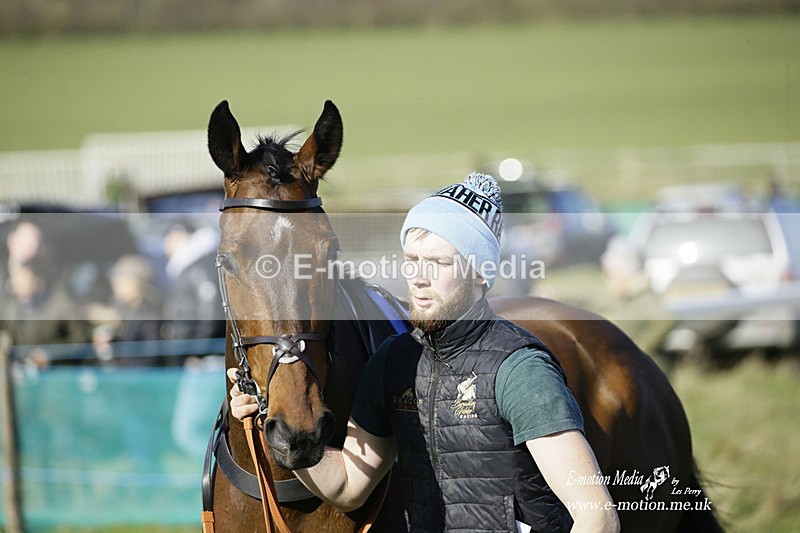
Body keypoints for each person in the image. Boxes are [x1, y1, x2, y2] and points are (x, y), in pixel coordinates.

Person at [229, 173, 620, 532]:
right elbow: (348, 485)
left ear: (480, 272)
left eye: (437, 262)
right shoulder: (392, 363)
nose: (418, 277)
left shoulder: (519, 369)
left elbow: (595, 515)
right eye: (412, 260)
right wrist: (271, 419)